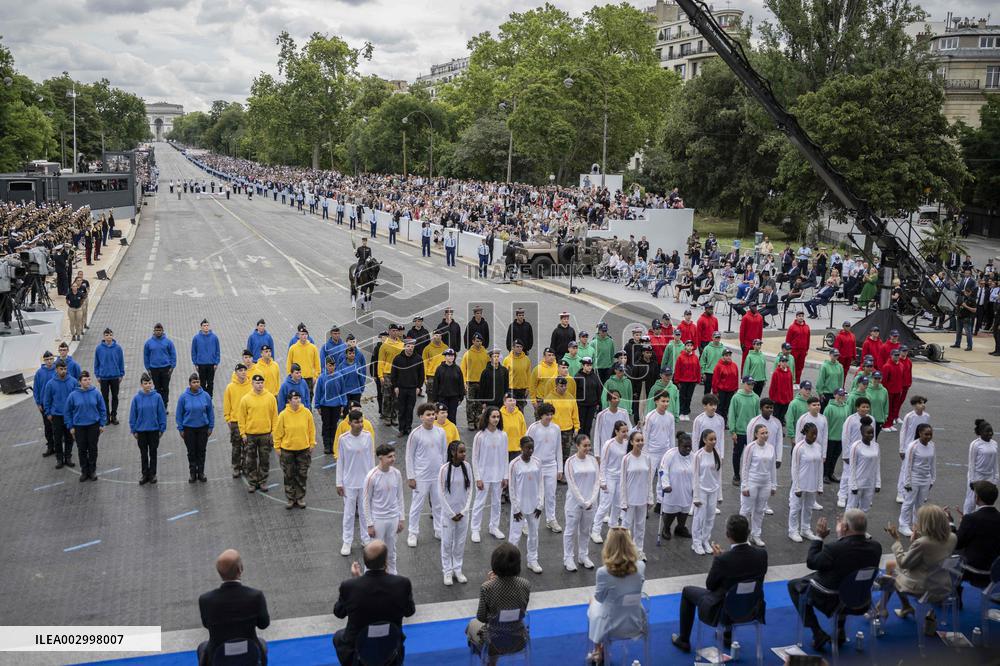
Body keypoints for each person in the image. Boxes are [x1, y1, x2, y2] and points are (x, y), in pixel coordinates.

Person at [671, 515, 768, 653]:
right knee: (738, 592)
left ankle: (684, 639)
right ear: (748, 532)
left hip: (723, 610)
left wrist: (717, 560)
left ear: (727, 534)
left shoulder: (723, 560)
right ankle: (727, 635)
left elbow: (710, 586)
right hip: (752, 606)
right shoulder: (762, 554)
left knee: (687, 591)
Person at [787, 510, 882, 651]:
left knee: (794, 585)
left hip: (833, 600)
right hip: (861, 600)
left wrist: (818, 537)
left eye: (841, 522)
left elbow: (812, 562)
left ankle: (817, 632)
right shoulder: (876, 547)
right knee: (846, 583)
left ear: (845, 528)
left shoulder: (835, 548)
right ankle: (840, 629)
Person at [875, 505, 957, 633]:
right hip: (943, 583)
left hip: (924, 587)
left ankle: (882, 609)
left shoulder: (922, 543)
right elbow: (933, 555)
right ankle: (905, 607)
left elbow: (903, 563)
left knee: (888, 577)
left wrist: (897, 540)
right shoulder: (952, 537)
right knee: (891, 566)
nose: (916, 522)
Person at [332, 540, 415, 666]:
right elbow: (410, 611)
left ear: (365, 561)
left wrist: (357, 580)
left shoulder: (349, 586)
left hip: (357, 649)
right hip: (391, 648)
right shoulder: (402, 584)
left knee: (338, 636)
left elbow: (339, 612)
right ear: (386, 561)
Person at [197, 549, 270, 666]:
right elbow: (264, 624)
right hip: (249, 653)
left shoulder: (205, 600)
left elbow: (206, 625)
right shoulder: (256, 596)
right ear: (240, 569)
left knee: (202, 647)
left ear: (219, 572)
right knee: (262, 643)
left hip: (218, 657)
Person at [586, 527, 647, 664]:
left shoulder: (603, 572)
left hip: (610, 626)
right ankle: (599, 650)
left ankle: (598, 650)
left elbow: (599, 599)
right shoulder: (641, 566)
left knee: (593, 601)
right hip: (635, 621)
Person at [466, 543, 531, 656]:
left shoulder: (487, 587)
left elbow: (481, 617)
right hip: (519, 639)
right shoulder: (525, 584)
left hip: (493, 642)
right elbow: (522, 609)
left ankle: (489, 660)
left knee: (472, 624)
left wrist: (491, 582)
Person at [405, 403, 447, 546]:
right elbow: (409, 456)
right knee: (417, 505)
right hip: (421, 476)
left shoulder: (440, 432)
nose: (431, 417)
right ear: (421, 417)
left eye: (432, 414)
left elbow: (444, 453)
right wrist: (411, 476)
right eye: (427, 415)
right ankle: (412, 532)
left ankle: (439, 529)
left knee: (438, 504)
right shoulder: (415, 434)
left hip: (437, 476)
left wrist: (444, 473)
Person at [337, 410, 376, 556]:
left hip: (365, 482)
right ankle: (347, 541)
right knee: (349, 513)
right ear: (350, 423)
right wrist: (339, 483)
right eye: (356, 422)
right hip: (349, 483)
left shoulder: (368, 437)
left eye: (361, 421)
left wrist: (373, 479)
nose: (360, 424)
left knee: (365, 513)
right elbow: (340, 461)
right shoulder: (343, 439)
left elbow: (371, 458)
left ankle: (365, 539)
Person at [363, 444, 406, 575]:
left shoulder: (396, 473)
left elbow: (400, 497)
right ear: (380, 458)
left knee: (391, 550)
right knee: (374, 552)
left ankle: (393, 574)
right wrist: (370, 524)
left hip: (393, 518)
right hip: (378, 520)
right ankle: (369, 575)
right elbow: (366, 501)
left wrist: (401, 518)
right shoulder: (372, 476)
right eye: (389, 457)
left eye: (394, 456)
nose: (393, 459)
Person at [953, 480, 1000, 590]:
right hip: (995, 571)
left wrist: (951, 524)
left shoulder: (971, 519)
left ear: (977, 499)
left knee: (948, 551)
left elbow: (957, 543)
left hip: (974, 570)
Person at [471, 406, 509, 543]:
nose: (496, 419)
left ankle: (494, 527)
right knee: (479, 503)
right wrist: (478, 478)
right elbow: (475, 458)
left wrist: (506, 476)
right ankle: (475, 529)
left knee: (497, 503)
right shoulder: (480, 436)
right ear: (487, 418)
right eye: (493, 417)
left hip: (498, 476)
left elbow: (505, 456)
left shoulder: (503, 435)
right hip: (484, 475)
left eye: (498, 417)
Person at [563, 433, 600, 571]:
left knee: (585, 530)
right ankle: (568, 558)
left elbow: (597, 481)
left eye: (589, 445)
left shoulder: (593, 461)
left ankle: (583, 555)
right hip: (574, 504)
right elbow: (572, 485)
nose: (588, 448)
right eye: (585, 445)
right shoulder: (570, 462)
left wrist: (592, 500)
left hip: (591, 503)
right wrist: (583, 502)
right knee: (570, 531)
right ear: (577, 446)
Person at [508, 435, 544, 573]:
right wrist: (516, 508)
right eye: (528, 448)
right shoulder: (514, 464)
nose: (530, 451)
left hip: (534, 506)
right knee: (515, 536)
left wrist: (540, 504)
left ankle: (532, 560)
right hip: (520, 506)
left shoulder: (537, 462)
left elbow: (541, 483)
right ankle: (511, 563)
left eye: (532, 448)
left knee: (534, 534)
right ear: (521, 447)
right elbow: (511, 487)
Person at [274, 390, 315, 509]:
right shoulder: (283, 415)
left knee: (302, 474)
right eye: (294, 398)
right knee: (289, 474)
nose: (297, 400)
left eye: (298, 398)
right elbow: (278, 432)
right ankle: (291, 498)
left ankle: (300, 497)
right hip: (287, 450)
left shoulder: (306, 413)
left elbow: (311, 429)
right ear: (289, 401)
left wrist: (312, 443)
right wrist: (277, 447)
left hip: (303, 449)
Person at [526, 402, 563, 533]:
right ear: (541, 415)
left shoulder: (556, 428)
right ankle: (528, 522)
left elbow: (559, 449)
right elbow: (526, 448)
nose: (549, 417)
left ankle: (551, 520)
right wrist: (528, 466)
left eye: (551, 414)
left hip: (551, 466)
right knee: (534, 495)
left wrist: (560, 469)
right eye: (547, 414)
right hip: (536, 467)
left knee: (550, 494)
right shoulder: (533, 428)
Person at [439, 441, 473, 585]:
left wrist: (464, 511)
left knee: (460, 543)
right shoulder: (444, 469)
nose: (464, 454)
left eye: (465, 451)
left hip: (463, 514)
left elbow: (470, 490)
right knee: (447, 543)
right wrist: (450, 513)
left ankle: (457, 569)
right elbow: (440, 493)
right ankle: (447, 571)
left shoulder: (468, 467)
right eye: (461, 452)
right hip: (448, 515)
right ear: (453, 453)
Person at [592, 420, 630, 544]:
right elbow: (603, 463)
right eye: (623, 432)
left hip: (621, 479)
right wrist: (602, 481)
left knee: (618, 504)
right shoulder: (609, 444)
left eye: (626, 431)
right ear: (616, 431)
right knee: (604, 505)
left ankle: (613, 527)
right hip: (609, 477)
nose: (625, 434)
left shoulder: (626, 443)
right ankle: (595, 531)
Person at [65, 371, 107, 482]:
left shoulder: (96, 393)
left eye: (88, 379)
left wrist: (102, 423)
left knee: (93, 448)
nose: (87, 381)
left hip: (93, 425)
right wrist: (71, 426)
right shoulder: (73, 395)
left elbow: (102, 409)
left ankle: (92, 470)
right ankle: (84, 471)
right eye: (84, 380)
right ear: (79, 382)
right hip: (79, 427)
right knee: (82, 449)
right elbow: (68, 412)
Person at [739, 423, 777, 547]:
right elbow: (745, 467)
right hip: (752, 482)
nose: (765, 435)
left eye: (766, 433)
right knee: (746, 510)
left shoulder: (771, 448)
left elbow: (772, 468)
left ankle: (756, 535)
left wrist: (773, 485)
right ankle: (742, 537)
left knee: (760, 510)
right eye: (762, 433)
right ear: (756, 434)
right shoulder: (750, 448)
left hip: (765, 483)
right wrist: (744, 485)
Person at [620, 431, 655, 559]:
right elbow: (622, 482)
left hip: (642, 498)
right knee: (626, 526)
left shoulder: (647, 458)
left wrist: (650, 498)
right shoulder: (626, 459)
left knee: (641, 526)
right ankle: (623, 551)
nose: (640, 443)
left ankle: (638, 550)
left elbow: (649, 480)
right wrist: (623, 501)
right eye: (637, 440)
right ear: (631, 442)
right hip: (630, 499)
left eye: (641, 440)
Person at [788, 422, 824, 542]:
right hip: (800, 483)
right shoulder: (799, 448)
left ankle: (805, 529)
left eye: (816, 434)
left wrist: (819, 486)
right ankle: (793, 531)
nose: (814, 437)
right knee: (795, 507)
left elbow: (820, 468)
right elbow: (795, 468)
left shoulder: (818, 447)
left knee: (808, 508)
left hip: (812, 483)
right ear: (805, 433)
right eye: (812, 434)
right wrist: (797, 487)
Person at [899, 423, 936, 536]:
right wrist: (907, 482)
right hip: (914, 479)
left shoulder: (932, 445)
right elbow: (907, 465)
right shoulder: (913, 446)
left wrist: (932, 479)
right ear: (919, 433)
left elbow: (933, 463)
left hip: (926, 479)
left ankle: (917, 524)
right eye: (926, 434)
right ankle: (903, 525)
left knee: (920, 504)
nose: (928, 437)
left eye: (930, 434)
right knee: (909, 502)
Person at [129, 372, 167, 485]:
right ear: (141, 384)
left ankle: (153, 474)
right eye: (145, 383)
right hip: (141, 431)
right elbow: (133, 415)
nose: (148, 385)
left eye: (149, 383)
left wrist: (162, 428)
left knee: (153, 453)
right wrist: (133, 429)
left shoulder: (157, 397)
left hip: (154, 430)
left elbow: (161, 413)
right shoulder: (136, 398)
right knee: (144, 453)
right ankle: (145, 474)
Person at [177, 373, 215, 483]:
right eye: (194, 382)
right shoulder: (183, 397)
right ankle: (192, 473)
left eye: (197, 382)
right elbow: (179, 414)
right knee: (191, 452)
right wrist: (180, 429)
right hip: (189, 429)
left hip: (203, 428)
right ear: (190, 384)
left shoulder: (206, 396)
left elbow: (210, 413)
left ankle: (201, 472)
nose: (196, 384)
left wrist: (211, 426)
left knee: (201, 451)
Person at [691, 429, 723, 555]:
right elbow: (695, 477)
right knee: (699, 517)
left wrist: (719, 494)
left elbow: (718, 475)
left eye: (715, 439)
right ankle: (696, 542)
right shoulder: (698, 455)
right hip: (702, 491)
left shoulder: (717, 453)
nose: (713, 441)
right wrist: (696, 497)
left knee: (710, 517)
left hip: (713, 490)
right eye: (711, 439)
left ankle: (705, 540)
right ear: (704, 440)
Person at [659, 432, 694, 540]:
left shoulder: (693, 456)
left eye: (690, 446)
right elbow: (663, 470)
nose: (688, 449)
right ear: (678, 445)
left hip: (687, 488)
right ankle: (666, 528)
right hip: (672, 488)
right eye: (685, 447)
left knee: (684, 510)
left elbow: (697, 472)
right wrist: (665, 485)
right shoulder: (670, 455)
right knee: (671, 511)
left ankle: (680, 528)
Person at [43, 359, 78, 468]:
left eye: (65, 369)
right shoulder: (50, 384)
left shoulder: (73, 382)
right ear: (56, 369)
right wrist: (48, 413)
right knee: (57, 438)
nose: (63, 371)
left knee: (69, 438)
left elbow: (77, 398)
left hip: (69, 416)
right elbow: (47, 400)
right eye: (61, 369)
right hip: (56, 416)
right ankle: (59, 458)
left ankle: (68, 457)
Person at [896, 395, 930, 503]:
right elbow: (903, 432)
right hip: (908, 446)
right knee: (905, 469)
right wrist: (902, 449)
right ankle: (900, 492)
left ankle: (920, 493)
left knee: (920, 468)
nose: (922, 405)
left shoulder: (926, 416)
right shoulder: (909, 416)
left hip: (921, 446)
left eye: (924, 403)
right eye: (920, 403)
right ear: (914, 405)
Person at [223, 364, 253, 477]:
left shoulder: (251, 386)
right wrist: (228, 418)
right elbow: (227, 404)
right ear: (236, 373)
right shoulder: (230, 387)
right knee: (236, 446)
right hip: (235, 421)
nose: (243, 372)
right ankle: (236, 467)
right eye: (240, 370)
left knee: (247, 447)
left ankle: (246, 467)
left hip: (248, 421)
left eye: (244, 370)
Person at [846, 416, 880, 512]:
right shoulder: (856, 446)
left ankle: (861, 527)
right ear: (862, 433)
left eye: (872, 433)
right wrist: (853, 485)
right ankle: (847, 527)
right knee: (851, 508)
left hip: (870, 483)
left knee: (865, 508)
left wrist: (878, 483)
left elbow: (877, 465)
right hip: (858, 482)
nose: (871, 435)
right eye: (868, 433)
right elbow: (852, 466)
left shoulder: (876, 446)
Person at [964, 419, 998, 514]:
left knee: (985, 501)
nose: (990, 433)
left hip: (989, 477)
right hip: (977, 476)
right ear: (980, 432)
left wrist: (995, 479)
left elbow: (995, 463)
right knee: (971, 501)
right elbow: (971, 464)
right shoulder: (975, 444)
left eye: (991, 431)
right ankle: (966, 517)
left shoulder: (994, 444)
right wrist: (972, 480)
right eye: (987, 431)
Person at [94, 328, 125, 425]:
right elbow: (96, 363)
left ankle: (114, 415)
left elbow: (121, 362)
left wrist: (121, 374)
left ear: (113, 336)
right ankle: (106, 417)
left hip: (115, 376)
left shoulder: (118, 348)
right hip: (103, 377)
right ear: (104, 336)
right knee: (104, 398)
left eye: (110, 335)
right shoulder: (99, 349)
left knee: (115, 396)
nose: (109, 337)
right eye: (107, 335)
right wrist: (97, 374)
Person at [143, 323, 176, 410]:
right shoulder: (148, 343)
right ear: (154, 331)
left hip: (166, 368)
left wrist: (172, 367)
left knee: (165, 388)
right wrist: (148, 368)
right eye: (156, 330)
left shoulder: (168, 342)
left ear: (162, 331)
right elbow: (146, 356)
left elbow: (173, 354)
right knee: (157, 388)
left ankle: (165, 405)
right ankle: (158, 406)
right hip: (154, 369)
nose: (158, 332)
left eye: (160, 330)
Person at [191, 319, 221, 397]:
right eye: (204, 326)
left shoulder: (214, 338)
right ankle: (203, 398)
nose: (206, 327)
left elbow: (218, 350)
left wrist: (216, 362)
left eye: (207, 325)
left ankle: (209, 399)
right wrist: (195, 363)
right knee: (202, 383)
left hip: (211, 364)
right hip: (201, 364)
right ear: (201, 327)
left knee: (210, 383)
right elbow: (193, 351)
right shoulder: (196, 338)